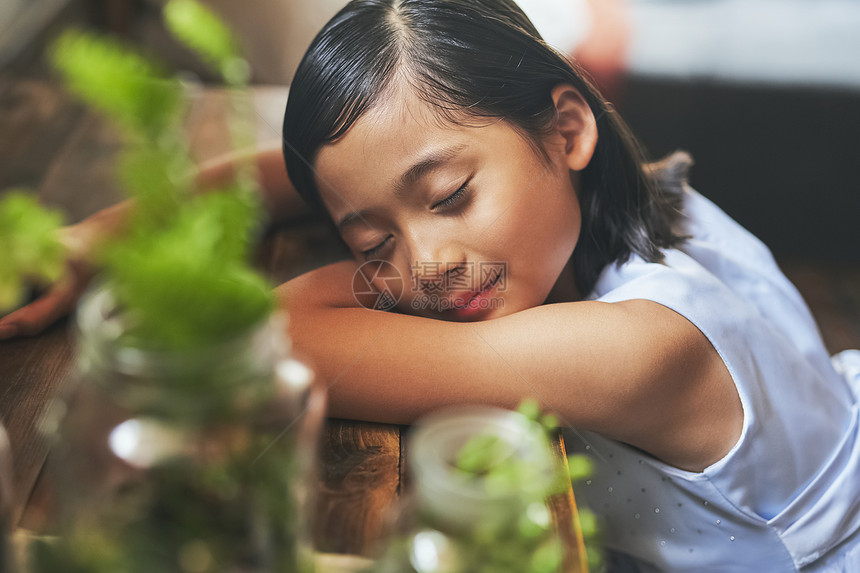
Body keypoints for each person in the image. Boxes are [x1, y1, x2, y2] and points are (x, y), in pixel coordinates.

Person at [3, 0, 859, 570]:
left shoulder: (636, 348)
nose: (426, 264)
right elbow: (302, 171)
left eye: (450, 197)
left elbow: (282, 331)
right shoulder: (630, 187)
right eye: (371, 235)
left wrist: (361, 249)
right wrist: (90, 237)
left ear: (565, 129)